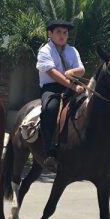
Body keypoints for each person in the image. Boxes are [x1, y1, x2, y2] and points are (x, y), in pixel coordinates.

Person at [35, 20, 86, 170]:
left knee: (90, 105)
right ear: (49, 34)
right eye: (58, 32)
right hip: (51, 87)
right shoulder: (45, 51)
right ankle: (49, 150)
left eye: (65, 33)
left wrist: (73, 72)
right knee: (50, 108)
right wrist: (73, 86)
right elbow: (53, 73)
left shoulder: (72, 50)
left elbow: (81, 69)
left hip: (72, 86)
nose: (62, 36)